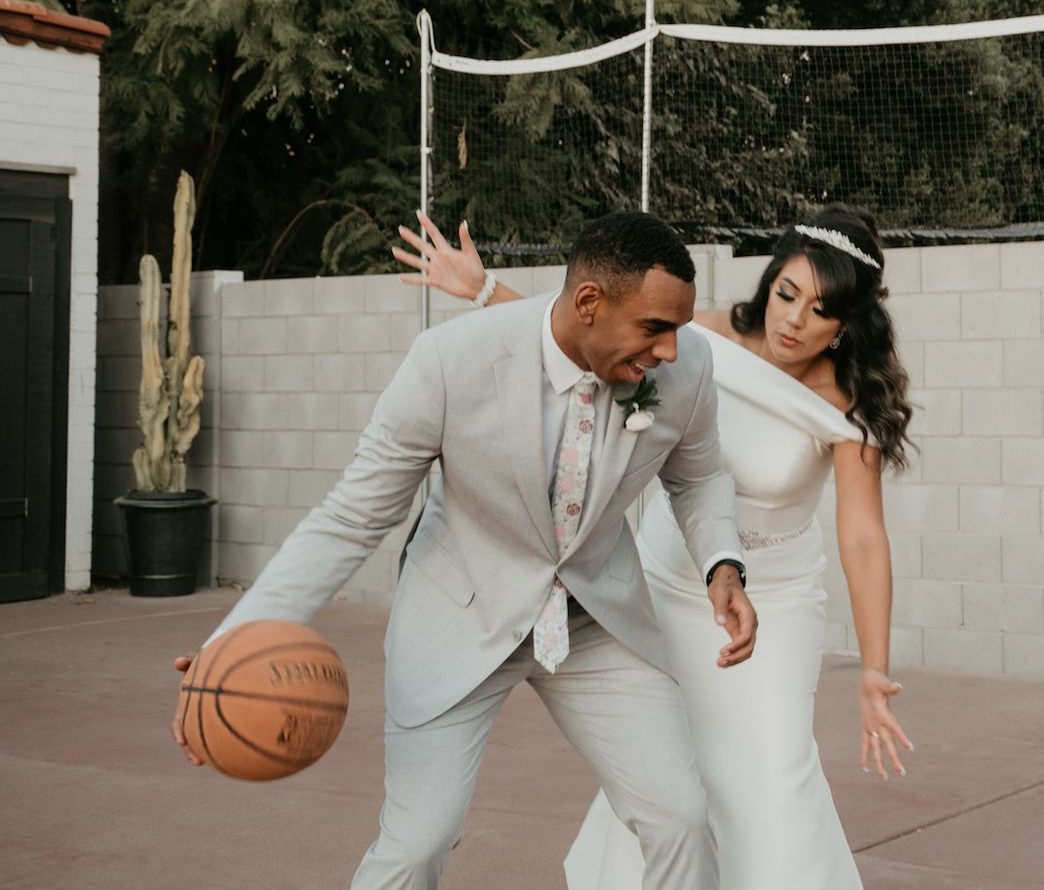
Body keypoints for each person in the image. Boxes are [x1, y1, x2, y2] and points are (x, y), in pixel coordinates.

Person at [174, 212, 757, 890]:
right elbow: (352, 516)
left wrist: (723, 563)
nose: (669, 350)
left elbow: (700, 473)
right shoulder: (450, 362)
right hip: (460, 619)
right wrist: (231, 639)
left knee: (681, 817)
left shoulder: (684, 371)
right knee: (417, 844)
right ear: (590, 302)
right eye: (655, 328)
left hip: (596, 619)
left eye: (678, 329)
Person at [393, 203, 914, 890]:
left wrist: (875, 669)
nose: (793, 319)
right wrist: (484, 289)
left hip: (778, 602)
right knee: (671, 775)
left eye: (818, 310)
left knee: (775, 770)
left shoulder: (848, 401)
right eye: (786, 292)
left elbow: (862, 536)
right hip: (669, 582)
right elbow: (603, 338)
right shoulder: (707, 336)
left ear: (845, 325)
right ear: (769, 283)